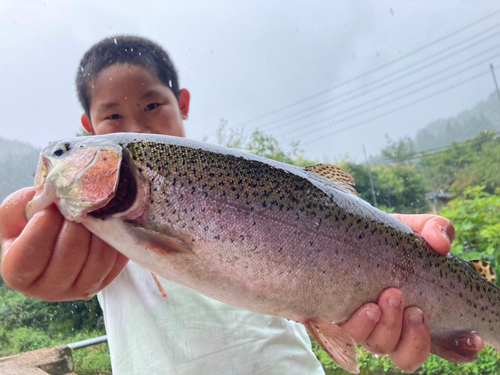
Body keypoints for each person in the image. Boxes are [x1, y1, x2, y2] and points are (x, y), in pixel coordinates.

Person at [0, 36, 483, 374]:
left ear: (181, 101)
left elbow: (333, 219)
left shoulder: (243, 176)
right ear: (90, 126)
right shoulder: (97, 235)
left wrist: (384, 243)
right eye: (113, 116)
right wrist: (32, 267)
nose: (140, 126)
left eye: (152, 105)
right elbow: (38, 255)